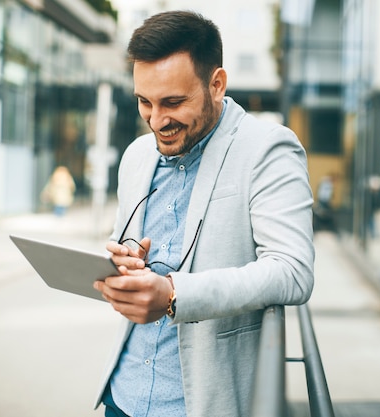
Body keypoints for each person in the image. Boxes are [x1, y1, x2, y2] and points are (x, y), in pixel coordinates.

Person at [92, 11, 314, 417]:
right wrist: (123, 260)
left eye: (173, 102)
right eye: (145, 102)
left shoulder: (268, 148)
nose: (157, 121)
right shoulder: (136, 156)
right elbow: (126, 238)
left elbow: (292, 271)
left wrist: (175, 294)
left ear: (217, 84)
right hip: (122, 397)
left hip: (203, 404)